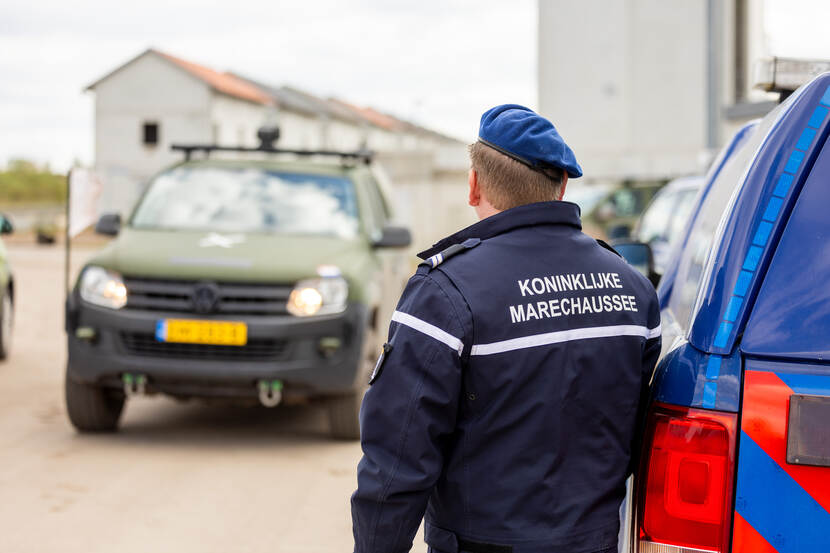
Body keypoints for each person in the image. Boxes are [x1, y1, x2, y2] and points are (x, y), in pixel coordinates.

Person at [351, 104, 661, 553]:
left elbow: (396, 463)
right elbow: (633, 438)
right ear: (562, 187)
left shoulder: (444, 293)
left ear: (474, 185)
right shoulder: (632, 288)